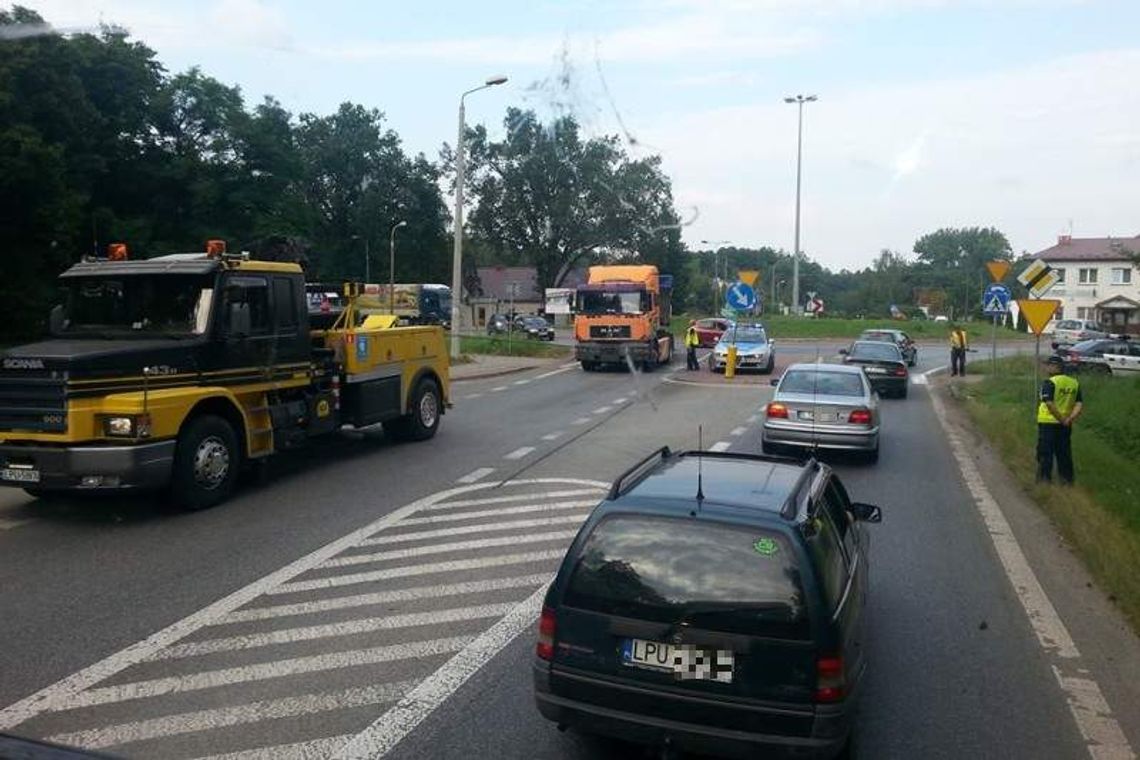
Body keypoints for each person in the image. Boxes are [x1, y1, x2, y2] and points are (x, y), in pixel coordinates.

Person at [1037, 355, 1083, 484]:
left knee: (1045, 453)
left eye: (1048, 365)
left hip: (1048, 422)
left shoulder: (1050, 383)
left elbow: (1049, 403)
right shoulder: (1074, 383)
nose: (1046, 368)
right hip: (1066, 424)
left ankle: (1044, 481)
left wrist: (1061, 418)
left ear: (1056, 367)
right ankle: (1066, 481)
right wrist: (1070, 418)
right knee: (1064, 453)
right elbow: (1079, 403)